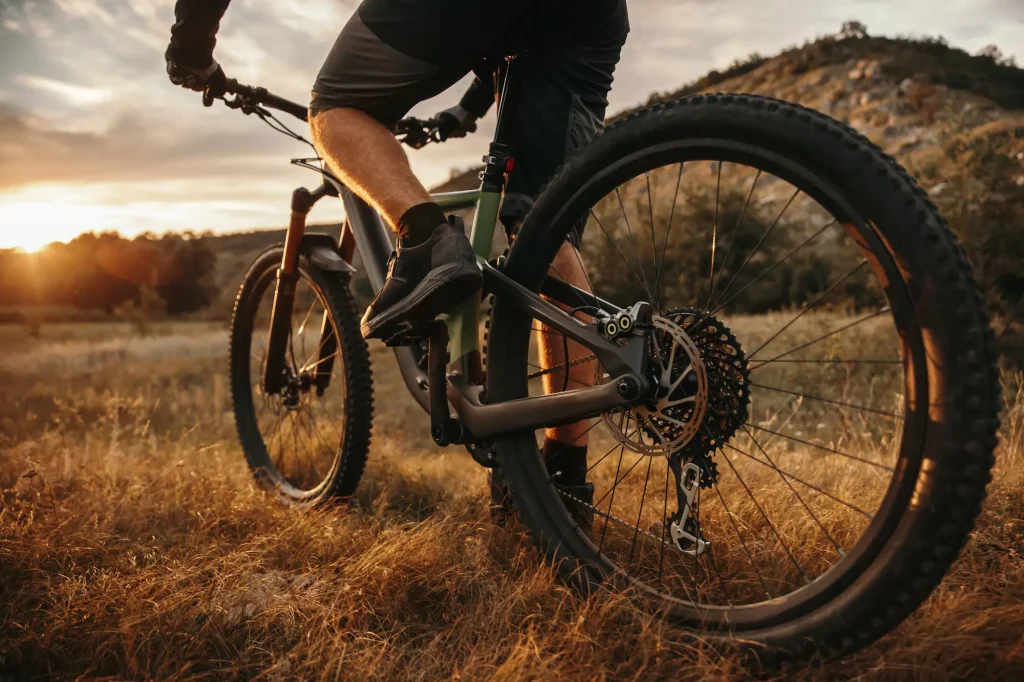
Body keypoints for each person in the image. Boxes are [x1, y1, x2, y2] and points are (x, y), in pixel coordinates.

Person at [165, 0, 629, 528]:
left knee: (336, 107)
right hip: (588, 19)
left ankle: (429, 243)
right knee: (540, 230)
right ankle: (560, 489)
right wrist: (467, 110)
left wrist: (191, 49)